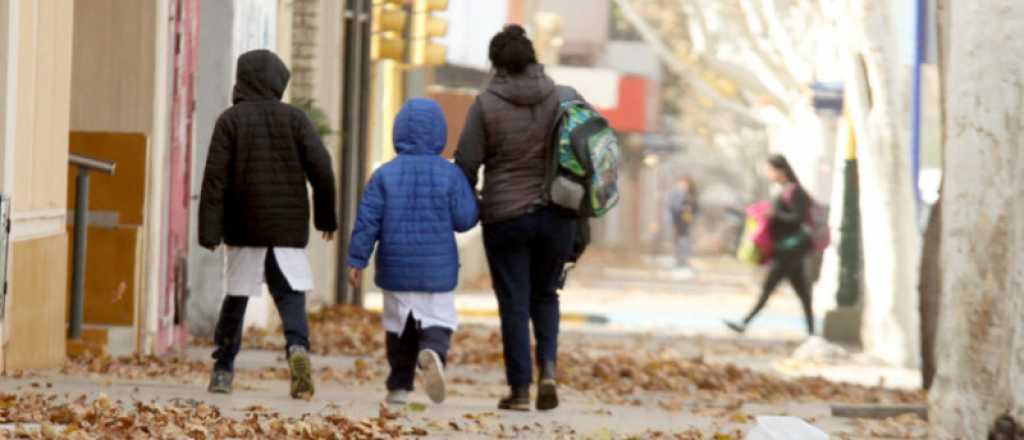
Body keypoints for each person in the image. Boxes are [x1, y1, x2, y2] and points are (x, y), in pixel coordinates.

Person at [454, 24, 581, 412]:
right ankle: (549, 371)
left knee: (514, 302)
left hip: (506, 217)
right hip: (557, 213)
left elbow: (466, 163)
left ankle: (521, 390)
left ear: (496, 64)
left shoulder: (485, 104)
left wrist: (476, 200)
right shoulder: (561, 98)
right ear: (532, 58)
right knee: (546, 295)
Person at [198, 49, 338, 399]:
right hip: (287, 230)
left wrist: (209, 231)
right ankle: (298, 349)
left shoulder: (230, 120)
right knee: (290, 298)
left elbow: (215, 180)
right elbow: (322, 169)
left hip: (244, 227)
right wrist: (325, 217)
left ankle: (223, 369)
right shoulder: (296, 119)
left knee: (237, 297)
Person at [347, 98, 479, 406]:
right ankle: (433, 352)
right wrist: (478, 203)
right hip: (437, 270)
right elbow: (463, 220)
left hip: (395, 268)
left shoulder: (384, 175)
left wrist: (357, 260)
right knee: (439, 320)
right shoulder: (450, 174)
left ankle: (399, 385)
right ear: (440, 133)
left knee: (398, 328)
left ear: (398, 131)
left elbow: (367, 221)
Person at [726, 154, 815, 336]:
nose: (768, 173)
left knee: (769, 287)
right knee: (802, 293)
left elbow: (797, 218)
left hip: (789, 250)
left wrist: (775, 215)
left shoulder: (794, 191)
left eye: (770, 170)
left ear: (781, 170)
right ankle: (811, 331)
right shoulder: (783, 190)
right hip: (786, 249)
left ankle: (745, 322)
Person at [667, 176, 698, 274]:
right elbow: (673, 207)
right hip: (677, 221)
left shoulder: (690, 195)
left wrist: (690, 213)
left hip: (685, 222)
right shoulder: (675, 194)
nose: (682, 186)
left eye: (684, 184)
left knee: (684, 241)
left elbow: (695, 208)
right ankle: (679, 261)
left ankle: (683, 261)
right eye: (681, 183)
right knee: (678, 241)